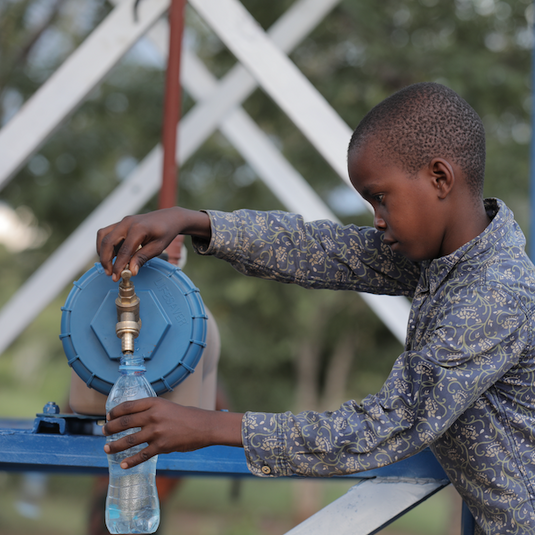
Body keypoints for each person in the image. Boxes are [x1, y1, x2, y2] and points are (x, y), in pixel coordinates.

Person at [96, 82, 535, 535]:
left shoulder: (493, 292)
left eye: (380, 198)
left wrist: (212, 428)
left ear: (440, 179)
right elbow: (321, 249)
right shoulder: (447, 261)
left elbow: (388, 425)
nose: (377, 219)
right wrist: (195, 223)